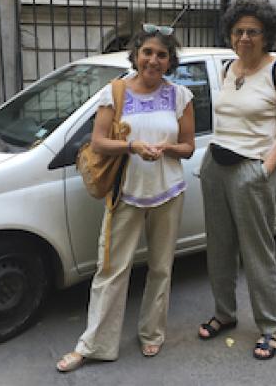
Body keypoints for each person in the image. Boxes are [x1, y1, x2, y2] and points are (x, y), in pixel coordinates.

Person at [56, 24, 195, 372]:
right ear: (136, 55)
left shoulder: (180, 96)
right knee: (111, 271)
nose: (153, 60)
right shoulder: (115, 92)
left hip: (169, 192)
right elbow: (99, 141)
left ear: (169, 61)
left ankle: (152, 332)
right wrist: (132, 146)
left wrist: (166, 149)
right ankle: (94, 345)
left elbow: (188, 148)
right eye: (147, 52)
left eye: (161, 55)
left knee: (161, 268)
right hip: (126, 195)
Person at [197, 0, 276, 360]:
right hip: (215, 166)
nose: (244, 37)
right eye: (238, 31)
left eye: (252, 31)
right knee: (219, 247)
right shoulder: (228, 68)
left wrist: (265, 169)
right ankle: (225, 314)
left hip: (251, 170)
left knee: (257, 253)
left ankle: (271, 326)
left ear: (266, 34)